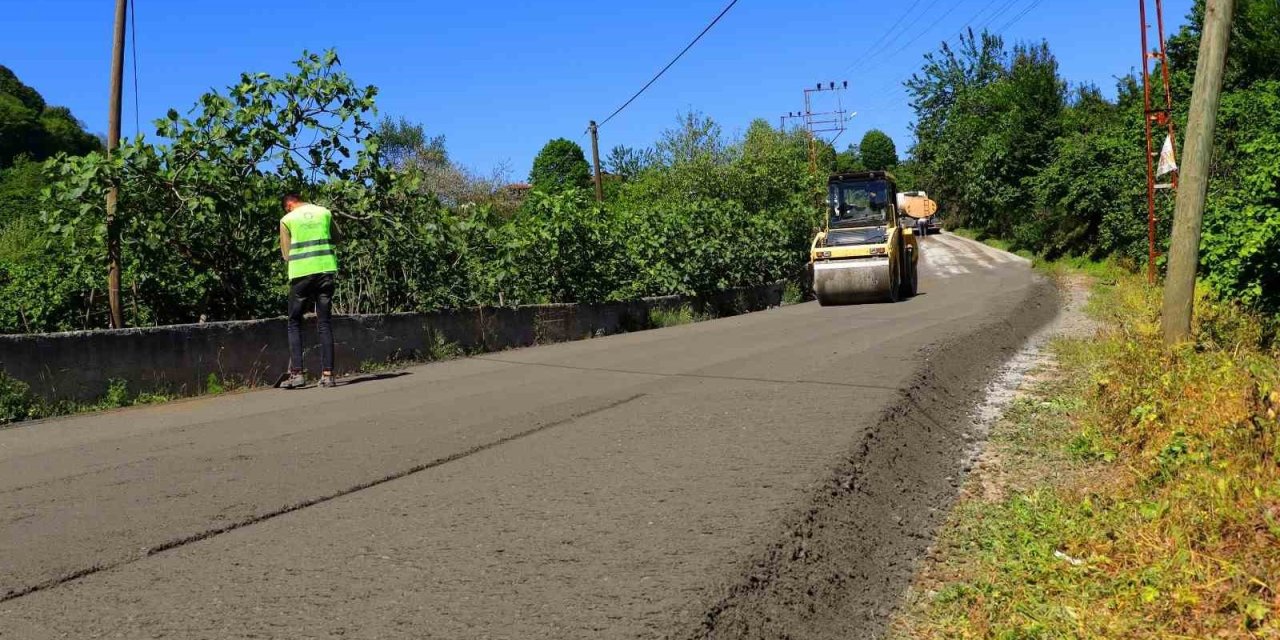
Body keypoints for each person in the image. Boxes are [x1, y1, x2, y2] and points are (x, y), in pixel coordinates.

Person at [279, 194, 340, 389]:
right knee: (324, 322)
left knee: (294, 322)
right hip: (325, 270)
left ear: (289, 205)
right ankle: (328, 375)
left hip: (301, 275)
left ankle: (297, 374)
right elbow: (337, 237)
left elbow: (286, 254)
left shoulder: (287, 220)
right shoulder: (325, 212)